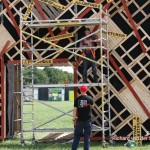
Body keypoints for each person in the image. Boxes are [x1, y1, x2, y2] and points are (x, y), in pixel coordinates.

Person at [72, 85, 93, 150]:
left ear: (80, 90)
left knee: (77, 136)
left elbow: (75, 110)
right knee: (87, 137)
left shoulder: (77, 99)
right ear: (86, 90)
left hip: (79, 121)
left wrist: (73, 119)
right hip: (88, 120)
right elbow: (92, 107)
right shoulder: (90, 98)